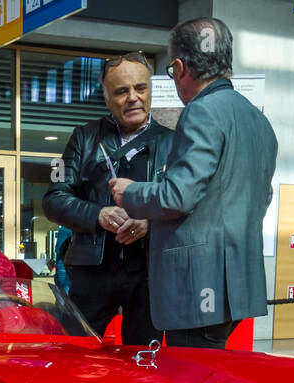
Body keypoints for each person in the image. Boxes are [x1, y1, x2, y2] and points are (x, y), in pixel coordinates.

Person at [110, 18, 277, 349]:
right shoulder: (258, 120)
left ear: (180, 67)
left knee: (192, 381)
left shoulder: (201, 112)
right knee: (211, 377)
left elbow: (178, 195)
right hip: (238, 281)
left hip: (198, 282)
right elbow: (261, 196)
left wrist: (130, 192)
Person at [42, 51, 172, 344]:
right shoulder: (83, 138)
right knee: (74, 353)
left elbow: (186, 204)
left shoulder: (173, 141)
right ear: (106, 97)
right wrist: (98, 215)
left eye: (140, 88)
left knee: (143, 362)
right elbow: (53, 199)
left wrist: (151, 223)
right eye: (121, 91)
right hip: (92, 270)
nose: (133, 98)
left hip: (150, 274)